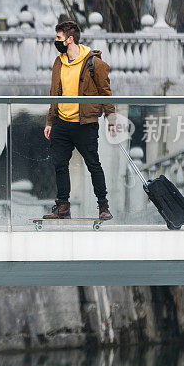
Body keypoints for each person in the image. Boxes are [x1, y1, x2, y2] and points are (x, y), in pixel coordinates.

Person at [42, 20, 117, 222]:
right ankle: (63, 206)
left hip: (85, 124)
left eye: (59, 38)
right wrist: (50, 121)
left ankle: (103, 206)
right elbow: (54, 94)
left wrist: (111, 119)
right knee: (59, 164)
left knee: (93, 164)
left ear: (70, 39)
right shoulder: (59, 62)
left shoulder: (94, 63)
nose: (56, 41)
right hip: (61, 123)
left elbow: (105, 93)